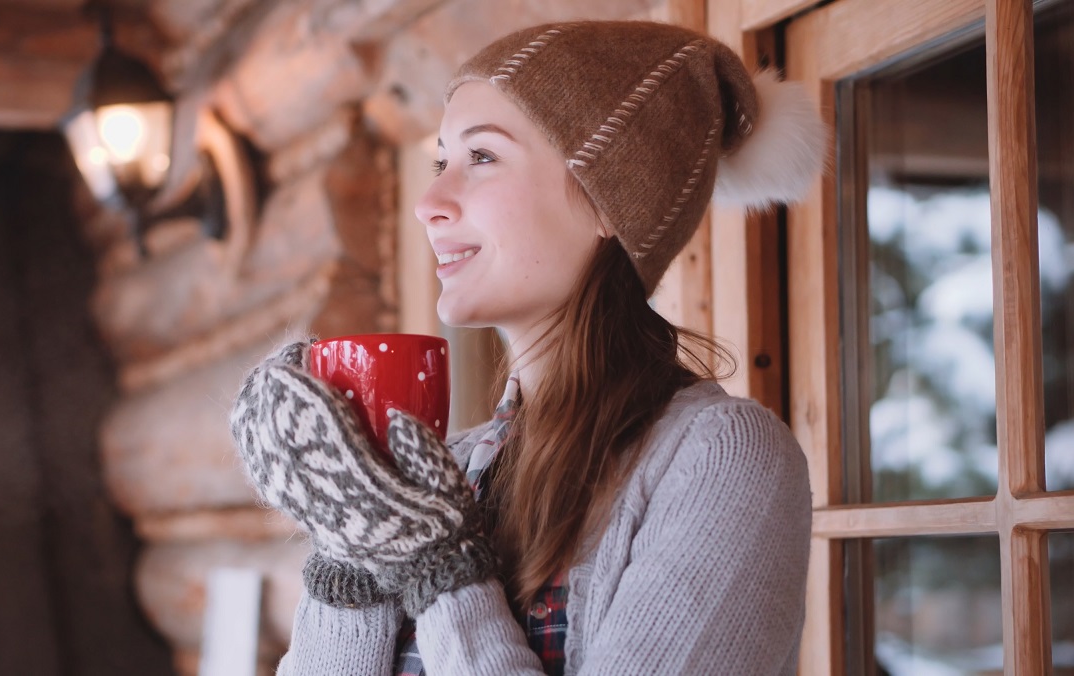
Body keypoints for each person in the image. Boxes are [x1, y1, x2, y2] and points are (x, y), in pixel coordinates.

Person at [230, 19, 826, 676]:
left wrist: (442, 570)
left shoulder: (725, 462)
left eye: (480, 158)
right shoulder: (447, 473)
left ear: (609, 200)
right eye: (440, 162)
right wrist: (349, 534)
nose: (430, 201)